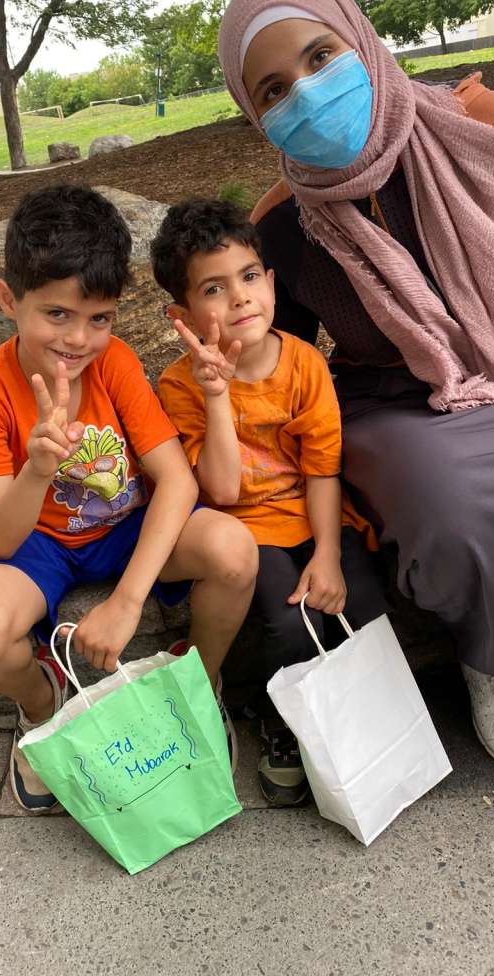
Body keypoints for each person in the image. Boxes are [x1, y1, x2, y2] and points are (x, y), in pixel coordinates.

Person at [217, 0, 494, 779]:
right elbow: (277, 355)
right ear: (256, 117)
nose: (308, 95)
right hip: (395, 399)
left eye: (322, 57)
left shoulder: (486, 121)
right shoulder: (284, 226)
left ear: (363, 40)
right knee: (447, 503)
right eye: (275, 89)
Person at [0, 184, 258, 813]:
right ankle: (42, 705)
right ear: (9, 300)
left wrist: (127, 601)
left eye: (99, 318)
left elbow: (177, 480)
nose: (79, 340)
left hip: (126, 527)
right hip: (42, 542)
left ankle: (198, 678)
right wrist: (36, 470)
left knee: (233, 549)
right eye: (57, 313)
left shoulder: (113, 364)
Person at [153, 198, 387, 805]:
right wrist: (215, 395)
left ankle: (357, 720)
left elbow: (322, 470)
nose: (240, 298)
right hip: (243, 525)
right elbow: (225, 492)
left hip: (312, 512)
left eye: (250, 277)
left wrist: (330, 554)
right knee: (289, 619)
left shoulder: (305, 363)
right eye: (214, 288)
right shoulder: (179, 386)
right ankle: (279, 721)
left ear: (272, 283)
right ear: (181, 315)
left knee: (363, 600)